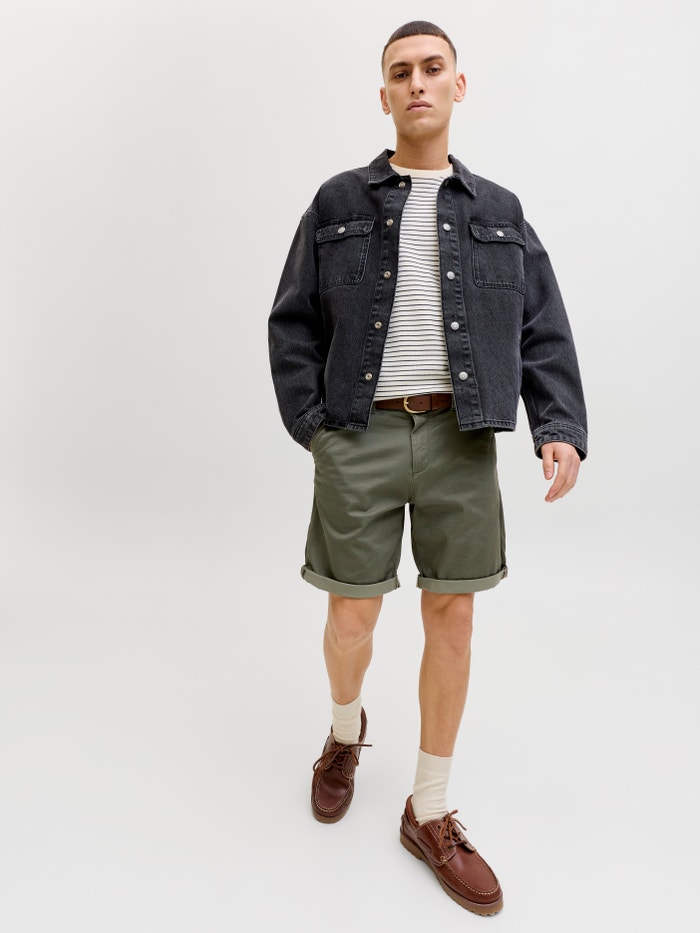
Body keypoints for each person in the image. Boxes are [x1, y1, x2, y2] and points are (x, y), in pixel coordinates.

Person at [268, 20, 587, 916]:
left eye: (432, 68)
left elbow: (543, 324)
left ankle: (430, 807)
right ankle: (345, 731)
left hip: (461, 440)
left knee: (453, 618)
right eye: (401, 72)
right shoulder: (337, 201)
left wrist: (557, 424)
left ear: (457, 86)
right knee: (350, 619)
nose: (417, 82)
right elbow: (291, 322)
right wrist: (318, 430)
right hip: (358, 435)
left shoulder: (499, 211)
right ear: (384, 96)